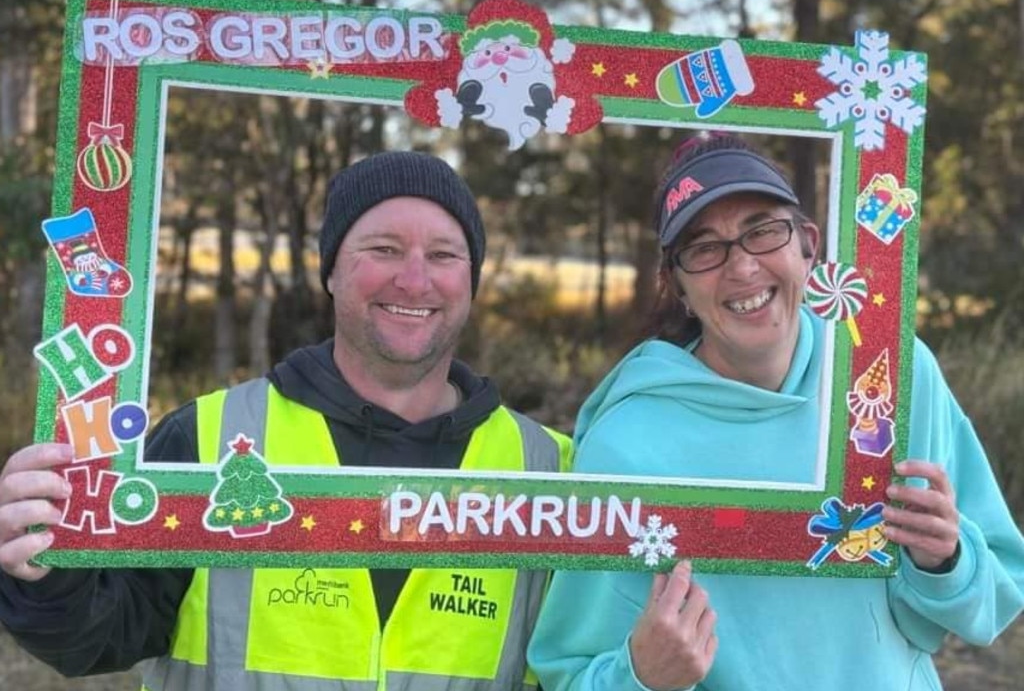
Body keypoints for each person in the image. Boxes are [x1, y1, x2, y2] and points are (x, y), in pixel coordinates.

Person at [0, 150, 572, 690]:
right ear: (330, 272)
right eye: (384, 249)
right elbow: (92, 637)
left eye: (445, 255)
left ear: (471, 279)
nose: (415, 280)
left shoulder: (552, 469)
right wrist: (43, 568)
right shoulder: (206, 437)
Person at [526, 134, 1024, 690]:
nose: (741, 268)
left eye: (763, 231)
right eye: (704, 248)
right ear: (678, 287)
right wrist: (639, 677)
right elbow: (570, 672)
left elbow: (996, 595)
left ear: (807, 245)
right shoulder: (627, 443)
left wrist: (947, 560)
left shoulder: (889, 373)